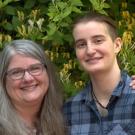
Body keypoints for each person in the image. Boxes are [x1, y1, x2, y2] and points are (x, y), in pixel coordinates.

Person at [63, 12, 135, 135]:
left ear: (117, 45)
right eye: (81, 44)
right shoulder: (70, 109)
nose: (90, 50)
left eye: (98, 41)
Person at [0, 39, 66, 135]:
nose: (28, 78)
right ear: (3, 80)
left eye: (35, 68)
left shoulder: (64, 120)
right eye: (16, 72)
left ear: (48, 72)